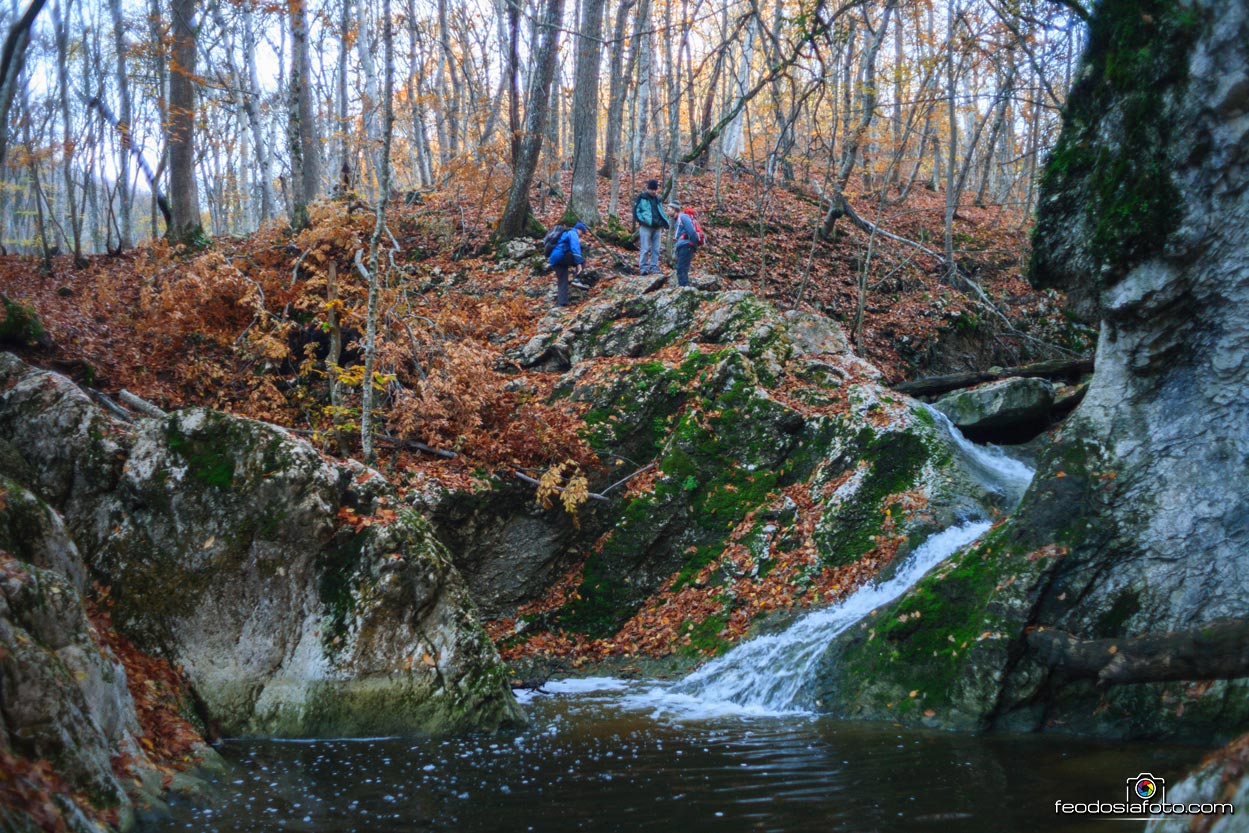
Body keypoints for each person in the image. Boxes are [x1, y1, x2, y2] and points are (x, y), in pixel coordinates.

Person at [633, 179, 669, 275]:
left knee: (656, 249)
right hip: (646, 226)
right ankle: (643, 268)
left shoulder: (658, 199)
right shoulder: (642, 197)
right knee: (645, 248)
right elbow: (636, 211)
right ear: (648, 188)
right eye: (652, 189)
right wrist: (642, 220)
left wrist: (665, 222)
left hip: (657, 227)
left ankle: (654, 267)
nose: (653, 191)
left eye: (655, 189)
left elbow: (661, 211)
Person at [548, 221, 588, 307]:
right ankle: (576, 279)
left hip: (554, 259)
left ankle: (561, 303)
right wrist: (578, 263)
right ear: (580, 230)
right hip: (560, 256)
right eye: (582, 232)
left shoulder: (565, 234)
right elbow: (575, 248)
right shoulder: (573, 233)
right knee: (582, 261)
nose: (582, 235)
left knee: (563, 280)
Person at [671, 204, 699, 288]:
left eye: (669, 209)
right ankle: (684, 287)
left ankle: (684, 288)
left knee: (681, 268)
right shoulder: (678, 220)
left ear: (674, 209)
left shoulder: (683, 217)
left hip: (686, 246)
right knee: (682, 268)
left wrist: (693, 245)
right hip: (684, 245)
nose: (667, 211)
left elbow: (692, 232)